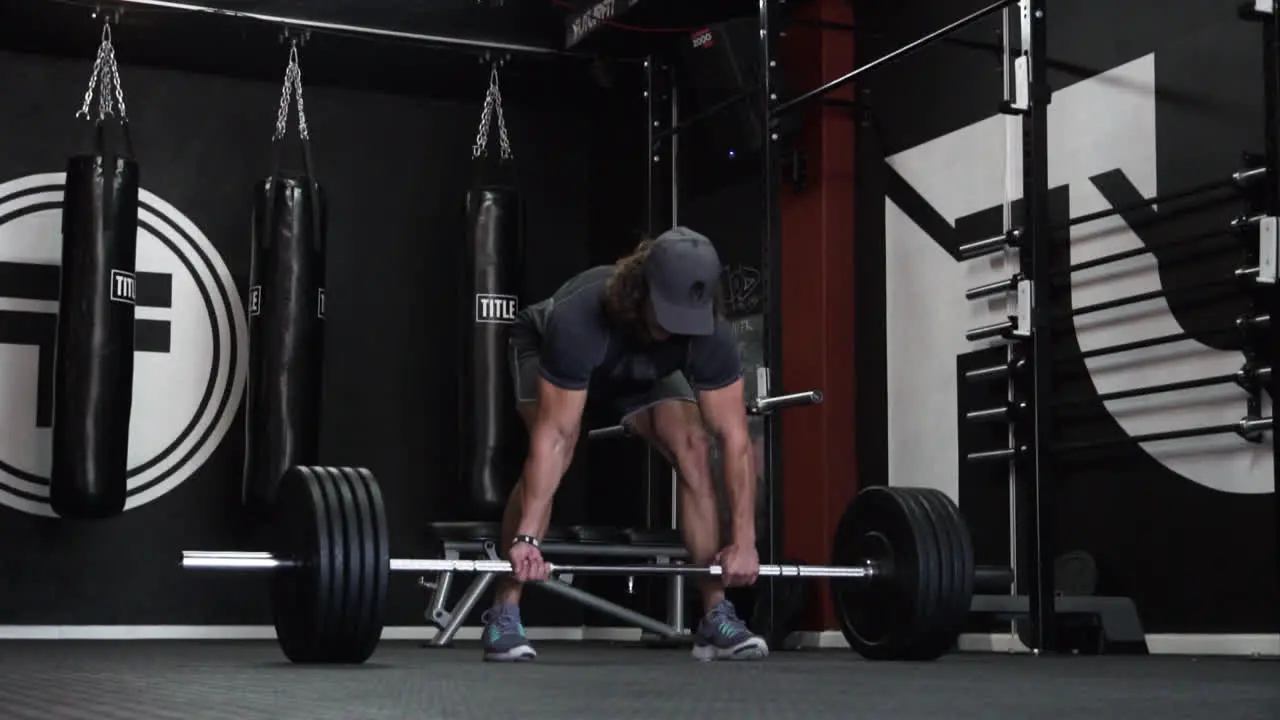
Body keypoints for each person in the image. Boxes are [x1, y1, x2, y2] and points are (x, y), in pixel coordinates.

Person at [481, 226, 767, 663]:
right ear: (641, 290)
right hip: (547, 350)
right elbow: (553, 437)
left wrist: (744, 540)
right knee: (562, 443)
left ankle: (715, 616)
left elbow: (735, 439)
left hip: (640, 368)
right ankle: (505, 608)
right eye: (668, 315)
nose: (677, 330)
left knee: (693, 444)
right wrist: (526, 538)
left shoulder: (707, 331)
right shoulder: (579, 319)